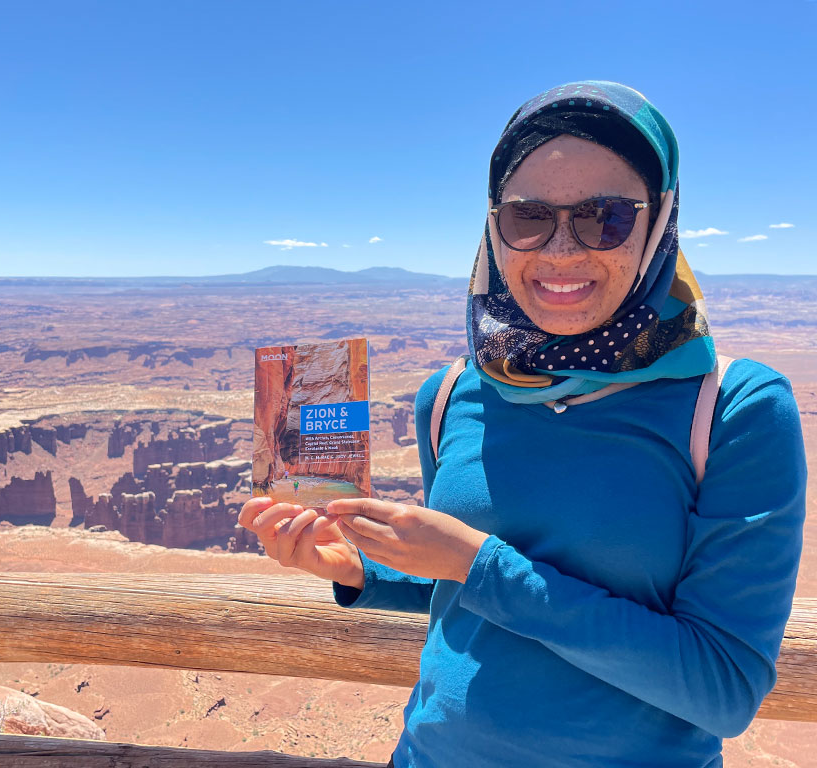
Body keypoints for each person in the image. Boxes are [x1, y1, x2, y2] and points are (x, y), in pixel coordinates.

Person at [238, 81, 807, 767]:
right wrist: (362, 572)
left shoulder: (733, 410)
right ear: (492, 225)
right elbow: (470, 590)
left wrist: (478, 565)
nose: (561, 249)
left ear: (660, 223)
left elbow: (724, 688)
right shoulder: (450, 394)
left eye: (607, 217)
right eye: (527, 215)